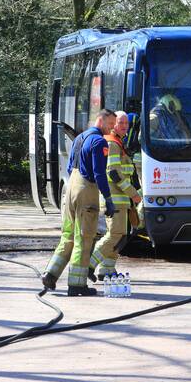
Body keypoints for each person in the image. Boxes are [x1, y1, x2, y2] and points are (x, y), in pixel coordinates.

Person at [41, 108, 116, 296]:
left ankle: (50, 274)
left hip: (71, 189)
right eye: (111, 123)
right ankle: (77, 284)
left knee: (68, 235)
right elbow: (99, 173)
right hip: (86, 191)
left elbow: (68, 166)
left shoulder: (79, 138)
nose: (113, 128)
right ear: (101, 120)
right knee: (84, 238)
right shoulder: (99, 142)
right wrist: (108, 198)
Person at [91, 112, 142, 279]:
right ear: (113, 124)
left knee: (121, 236)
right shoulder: (112, 143)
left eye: (126, 123)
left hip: (122, 201)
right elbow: (113, 173)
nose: (125, 126)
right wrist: (133, 194)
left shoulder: (119, 143)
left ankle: (107, 269)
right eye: (121, 123)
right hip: (116, 200)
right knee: (114, 235)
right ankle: (89, 265)